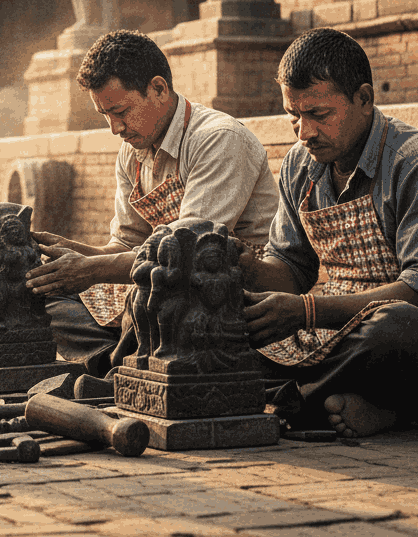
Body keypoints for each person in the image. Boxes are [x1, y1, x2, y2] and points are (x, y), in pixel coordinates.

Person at [242, 28, 418, 437]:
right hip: (339, 335)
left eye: (319, 115)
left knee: (393, 326)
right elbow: (291, 266)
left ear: (364, 99)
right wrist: (245, 272)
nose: (303, 132)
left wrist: (307, 312)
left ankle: (281, 402)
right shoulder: (299, 165)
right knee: (228, 320)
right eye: (294, 116)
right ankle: (368, 406)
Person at [25, 29, 278, 376]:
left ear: (158, 89)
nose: (115, 127)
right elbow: (126, 244)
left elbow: (187, 257)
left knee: (152, 302)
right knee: (42, 298)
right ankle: (118, 361)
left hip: (224, 293)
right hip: (156, 280)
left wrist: (90, 270)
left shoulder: (218, 139)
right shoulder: (132, 152)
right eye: (105, 115)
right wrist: (77, 255)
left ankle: (121, 361)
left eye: (121, 111)